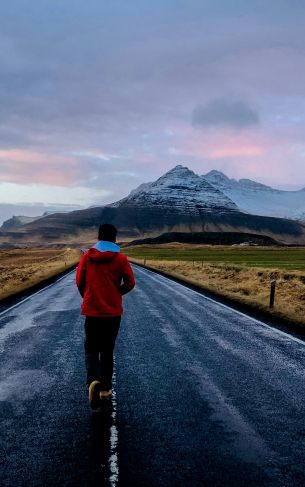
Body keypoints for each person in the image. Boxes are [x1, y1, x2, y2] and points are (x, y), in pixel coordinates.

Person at [76, 223, 135, 409]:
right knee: (107, 350)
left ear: (99, 237)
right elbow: (130, 283)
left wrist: (88, 296)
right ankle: (105, 390)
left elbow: (79, 281)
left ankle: (92, 381)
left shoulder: (87, 256)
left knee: (91, 348)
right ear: (115, 239)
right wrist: (116, 293)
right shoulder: (121, 259)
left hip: (92, 310)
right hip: (112, 312)